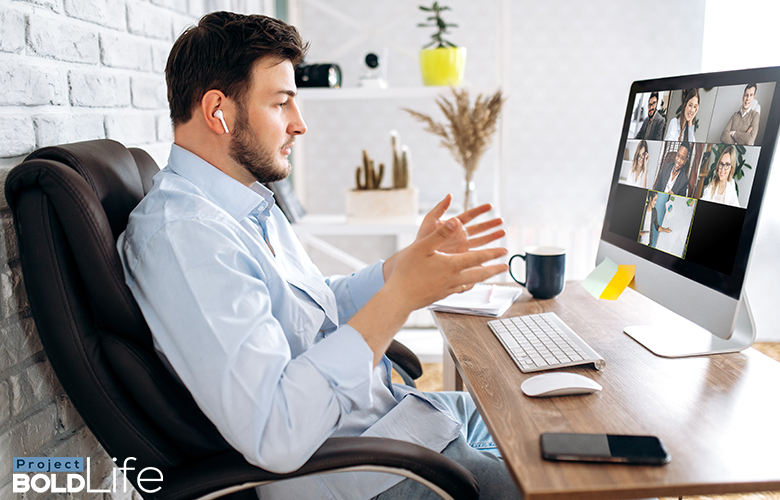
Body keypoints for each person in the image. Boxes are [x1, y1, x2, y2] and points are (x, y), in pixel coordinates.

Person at [117, 11, 521, 500]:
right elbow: (276, 433)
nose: (299, 124)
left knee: (532, 417)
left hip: (394, 417)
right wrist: (400, 299)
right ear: (217, 111)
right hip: (364, 470)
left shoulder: (245, 205)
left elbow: (312, 311)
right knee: (573, 484)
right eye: (281, 103)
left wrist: (403, 267)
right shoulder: (186, 238)